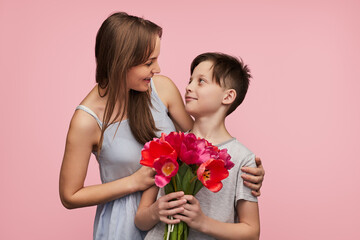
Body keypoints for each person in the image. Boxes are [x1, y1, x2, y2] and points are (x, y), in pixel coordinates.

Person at [59, 12, 264, 240]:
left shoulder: (160, 88)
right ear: (121, 62)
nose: (157, 68)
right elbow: (70, 195)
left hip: (174, 219)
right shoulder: (86, 121)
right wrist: (134, 182)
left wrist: (245, 172)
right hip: (125, 224)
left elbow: (198, 144)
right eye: (149, 62)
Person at [135, 52, 260, 240]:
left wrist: (203, 222)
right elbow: (140, 220)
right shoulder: (168, 145)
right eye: (190, 80)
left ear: (228, 96)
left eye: (201, 81)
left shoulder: (243, 158)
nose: (188, 87)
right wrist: (155, 211)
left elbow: (252, 232)